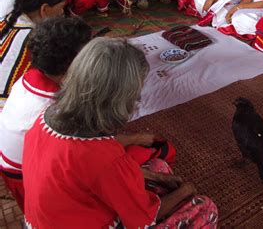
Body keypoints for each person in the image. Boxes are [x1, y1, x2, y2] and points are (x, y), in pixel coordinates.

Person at [22, 38, 218, 228]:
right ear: (120, 98)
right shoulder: (105, 157)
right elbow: (144, 220)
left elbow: (89, 173)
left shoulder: (47, 115)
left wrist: (158, 178)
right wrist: (186, 191)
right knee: (205, 207)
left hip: (49, 219)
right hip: (81, 220)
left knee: (159, 167)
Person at [0, 16, 92, 211]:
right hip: (29, 178)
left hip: (13, 170)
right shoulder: (57, 105)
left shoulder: (29, 76)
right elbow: (88, 150)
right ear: (72, 63)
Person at [0, 0, 67, 110]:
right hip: (8, 115)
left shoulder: (4, 22)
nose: (62, 13)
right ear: (45, 9)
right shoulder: (37, 40)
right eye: (61, 7)